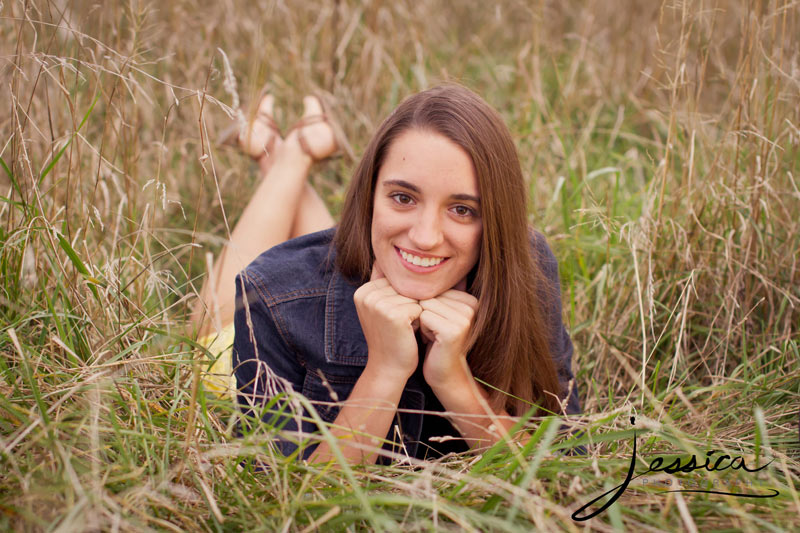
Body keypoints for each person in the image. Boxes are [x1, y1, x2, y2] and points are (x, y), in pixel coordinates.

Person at [193, 84, 580, 465]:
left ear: (495, 219)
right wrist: (384, 370)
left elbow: (562, 473)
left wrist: (456, 384)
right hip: (229, 349)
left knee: (368, 249)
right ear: (369, 194)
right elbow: (291, 504)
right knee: (210, 325)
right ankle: (289, 153)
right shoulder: (271, 294)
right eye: (403, 197)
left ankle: (288, 147)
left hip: (360, 263)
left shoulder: (526, 270)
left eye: (462, 209)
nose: (426, 237)